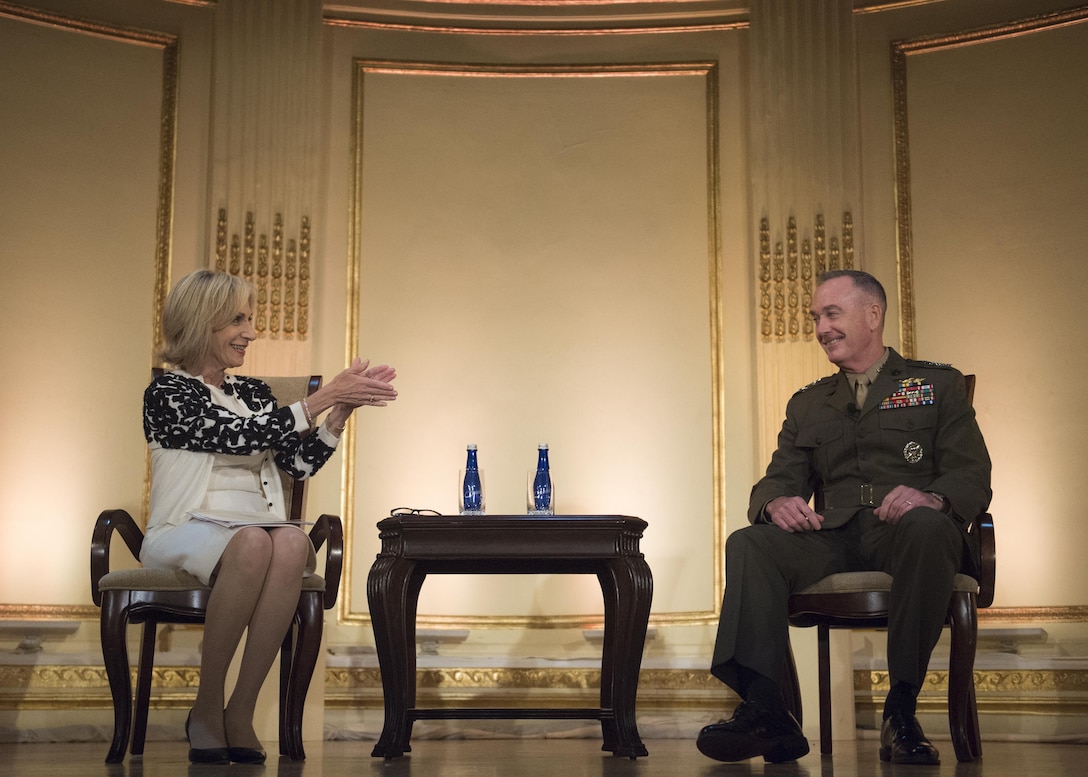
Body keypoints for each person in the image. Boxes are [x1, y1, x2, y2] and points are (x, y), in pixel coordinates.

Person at [697, 269, 991, 766]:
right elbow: (777, 479)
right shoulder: (808, 403)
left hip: (907, 530)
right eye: (816, 317)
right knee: (750, 542)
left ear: (872, 315)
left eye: (832, 313)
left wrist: (934, 500)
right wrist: (775, 503)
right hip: (833, 536)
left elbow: (971, 472)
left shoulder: (935, 385)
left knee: (926, 527)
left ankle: (900, 710)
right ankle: (769, 711)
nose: (821, 327)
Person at [141, 269, 398, 764]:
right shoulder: (168, 394)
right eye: (237, 319)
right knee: (258, 542)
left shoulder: (255, 393)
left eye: (250, 318)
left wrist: (336, 419)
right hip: (184, 529)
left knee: (293, 543)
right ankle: (207, 704)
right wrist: (320, 398)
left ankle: (241, 709)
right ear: (202, 323)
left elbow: (291, 464)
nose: (251, 331)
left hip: (255, 526)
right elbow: (237, 437)